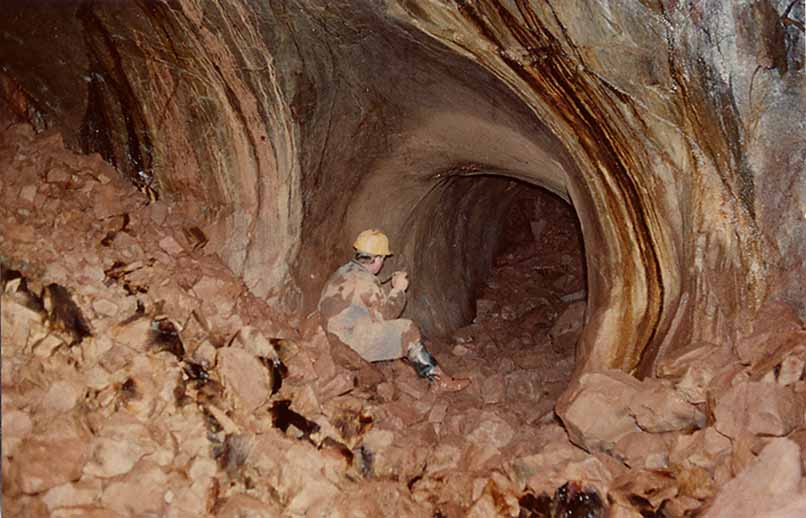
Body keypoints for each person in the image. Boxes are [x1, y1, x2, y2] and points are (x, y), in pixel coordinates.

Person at [319, 229, 470, 392]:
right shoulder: (365, 281)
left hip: (331, 338)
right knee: (407, 329)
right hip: (347, 344)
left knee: (373, 326)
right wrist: (398, 290)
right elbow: (387, 315)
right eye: (383, 258)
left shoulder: (343, 272)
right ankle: (439, 380)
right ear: (377, 258)